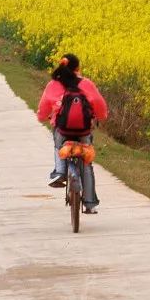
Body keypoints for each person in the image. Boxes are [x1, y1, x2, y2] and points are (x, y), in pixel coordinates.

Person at [37, 53, 108, 213]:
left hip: (62, 129)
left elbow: (43, 108)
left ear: (61, 66)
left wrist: (42, 117)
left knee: (58, 144)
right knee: (86, 163)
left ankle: (60, 171)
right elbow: (98, 103)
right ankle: (89, 204)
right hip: (83, 130)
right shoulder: (86, 84)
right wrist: (101, 116)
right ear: (78, 68)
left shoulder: (53, 84)